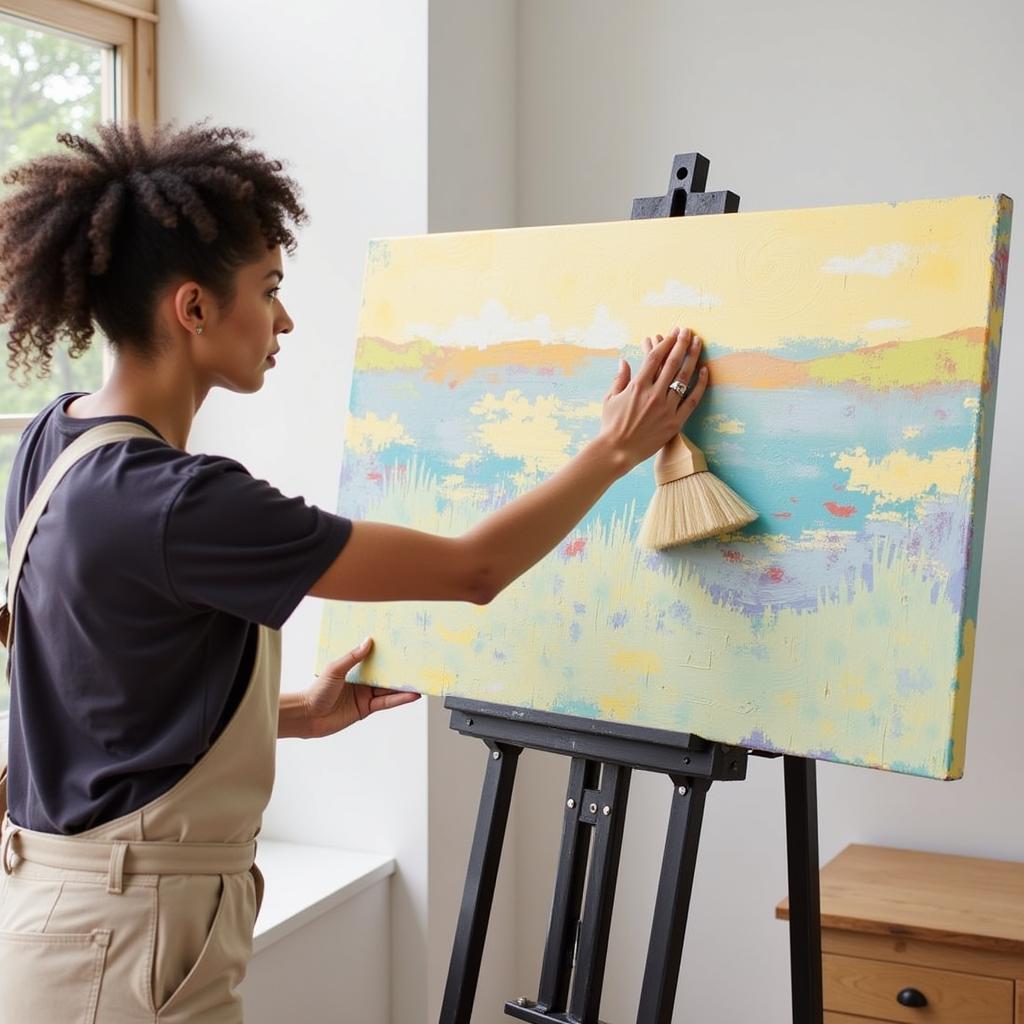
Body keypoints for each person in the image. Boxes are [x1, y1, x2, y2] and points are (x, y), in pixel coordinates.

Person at [0, 120, 708, 1023]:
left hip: (61, 919)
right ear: (193, 309)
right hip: (128, 944)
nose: (285, 319)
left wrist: (290, 716)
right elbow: (474, 570)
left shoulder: (52, 440)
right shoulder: (185, 503)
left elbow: (98, 694)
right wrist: (615, 449)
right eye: (270, 289)